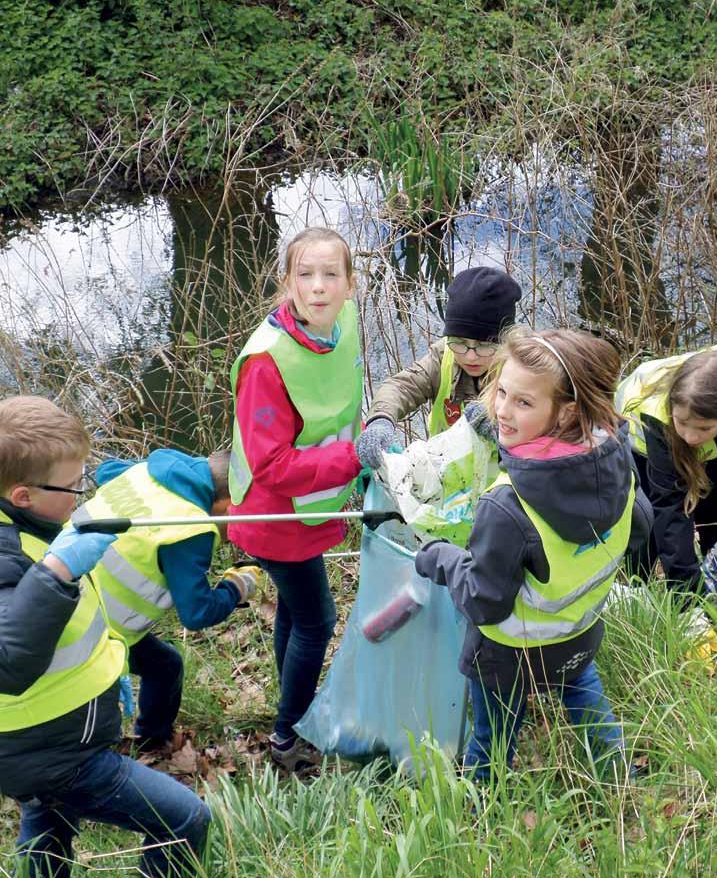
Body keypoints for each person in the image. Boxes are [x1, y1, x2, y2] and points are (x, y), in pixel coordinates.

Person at [414, 329, 652, 782]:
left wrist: (442, 556)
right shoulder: (618, 457)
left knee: (493, 735)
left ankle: (484, 807)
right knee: (583, 689)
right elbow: (641, 526)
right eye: (501, 391)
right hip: (579, 630)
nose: (501, 409)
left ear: (567, 412)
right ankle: (617, 775)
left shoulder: (506, 505)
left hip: (507, 654)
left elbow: (484, 601)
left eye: (523, 403)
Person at [0, 396, 210, 878]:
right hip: (55, 755)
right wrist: (58, 569)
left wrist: (106, 670)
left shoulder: (30, 525)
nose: (80, 493)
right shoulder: (11, 556)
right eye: (71, 485)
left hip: (44, 743)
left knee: (48, 826)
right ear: (24, 494)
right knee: (185, 821)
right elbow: (10, 659)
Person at [228, 227, 365, 771]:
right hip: (274, 516)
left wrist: (370, 434)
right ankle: (289, 735)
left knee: (294, 609)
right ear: (286, 283)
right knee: (316, 619)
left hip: (314, 506)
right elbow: (271, 465)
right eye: (305, 274)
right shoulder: (266, 361)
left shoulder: (345, 324)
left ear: (351, 285)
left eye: (331, 274)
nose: (318, 286)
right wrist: (359, 458)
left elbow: (343, 396)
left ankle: (290, 713)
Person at [72, 447, 262, 752]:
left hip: (60, 589)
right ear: (229, 507)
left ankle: (151, 740)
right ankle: (133, 749)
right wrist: (236, 587)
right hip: (93, 629)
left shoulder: (146, 472)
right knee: (145, 678)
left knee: (164, 666)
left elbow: (106, 469)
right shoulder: (190, 528)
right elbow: (197, 613)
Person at [616, 340, 717, 598]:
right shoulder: (659, 420)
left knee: (713, 493)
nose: (691, 437)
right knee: (650, 516)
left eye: (704, 428)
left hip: (687, 411)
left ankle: (715, 562)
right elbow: (671, 511)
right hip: (638, 438)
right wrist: (688, 593)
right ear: (674, 411)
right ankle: (639, 583)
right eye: (684, 423)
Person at [357, 266, 522, 467]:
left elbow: (550, 439)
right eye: (460, 342)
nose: (470, 356)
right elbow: (402, 387)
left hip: (503, 490)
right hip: (447, 485)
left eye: (484, 346)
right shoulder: (444, 356)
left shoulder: (527, 371)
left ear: (506, 341)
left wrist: (503, 431)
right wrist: (381, 420)